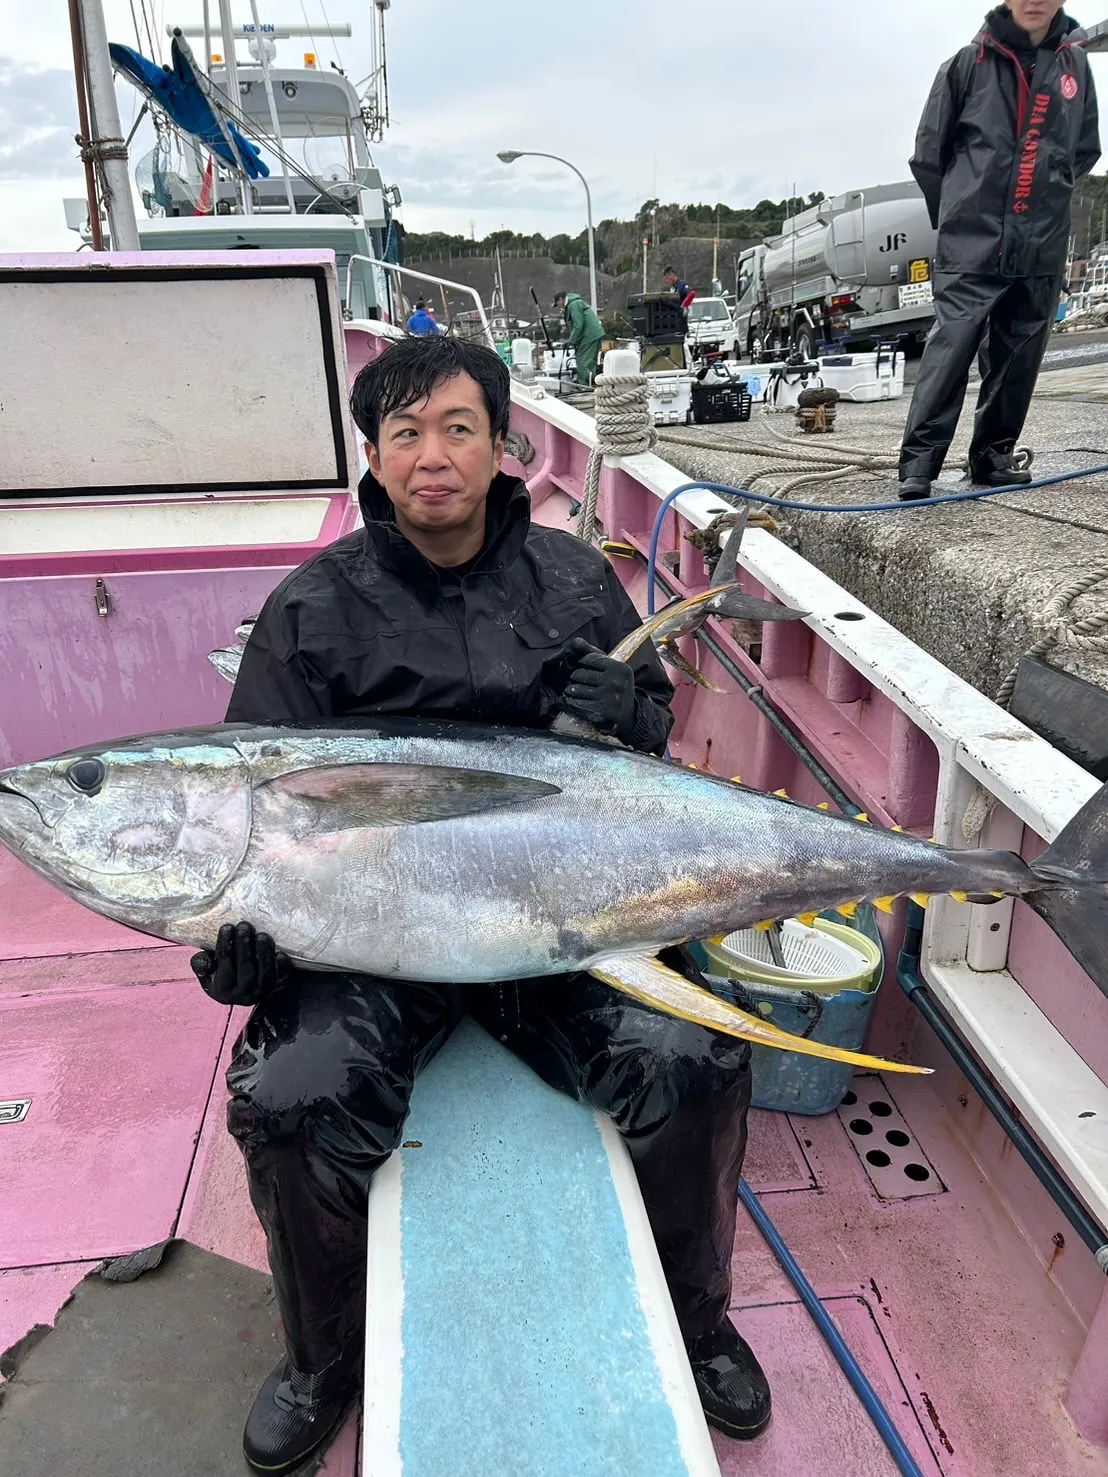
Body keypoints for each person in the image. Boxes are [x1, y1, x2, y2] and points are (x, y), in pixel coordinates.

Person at [192, 334, 772, 1474]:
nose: (432, 457)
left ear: (503, 444)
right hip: (372, 946)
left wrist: (635, 712)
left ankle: (698, 1325)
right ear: (372, 454)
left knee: (692, 1057)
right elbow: (250, 814)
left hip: (559, 927)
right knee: (293, 1093)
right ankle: (321, 1357)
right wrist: (243, 952)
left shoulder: (571, 578)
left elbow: (642, 751)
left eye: (457, 427)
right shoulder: (308, 611)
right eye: (403, 433)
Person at [898, 1, 1100, 499]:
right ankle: (919, 464)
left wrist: (1048, 198)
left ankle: (992, 456)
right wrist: (957, 217)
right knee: (953, 345)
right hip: (972, 237)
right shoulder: (966, 66)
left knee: (1020, 353)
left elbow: (1084, 149)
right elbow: (929, 155)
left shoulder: (1075, 66)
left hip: (1041, 241)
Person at [552, 289, 605, 384]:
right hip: (594, 333)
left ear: (561, 299)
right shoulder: (575, 303)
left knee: (582, 362)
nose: (558, 307)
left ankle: (584, 386)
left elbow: (578, 325)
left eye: (557, 304)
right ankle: (591, 384)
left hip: (589, 335)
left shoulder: (573, 305)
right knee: (590, 362)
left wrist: (571, 341)